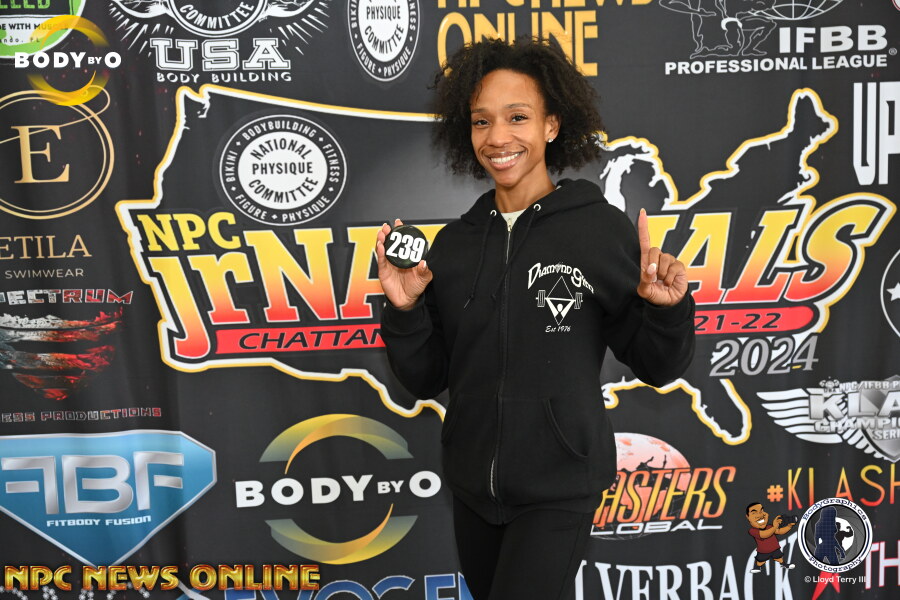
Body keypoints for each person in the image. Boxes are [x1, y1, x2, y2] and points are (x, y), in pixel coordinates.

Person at [376, 37, 695, 600]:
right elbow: (426, 378)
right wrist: (405, 311)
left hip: (559, 487)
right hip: (473, 490)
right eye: (482, 121)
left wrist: (665, 310)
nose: (497, 137)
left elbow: (659, 365)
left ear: (551, 125)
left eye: (517, 117)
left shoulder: (597, 230)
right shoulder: (454, 246)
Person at [746, 502, 796, 573]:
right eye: (754, 513)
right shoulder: (752, 530)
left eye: (761, 511)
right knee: (760, 561)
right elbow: (764, 534)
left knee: (779, 558)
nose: (760, 515)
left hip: (775, 549)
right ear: (748, 517)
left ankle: (784, 564)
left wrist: (789, 526)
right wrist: (775, 526)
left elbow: (780, 531)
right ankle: (757, 567)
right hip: (763, 552)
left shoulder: (770, 527)